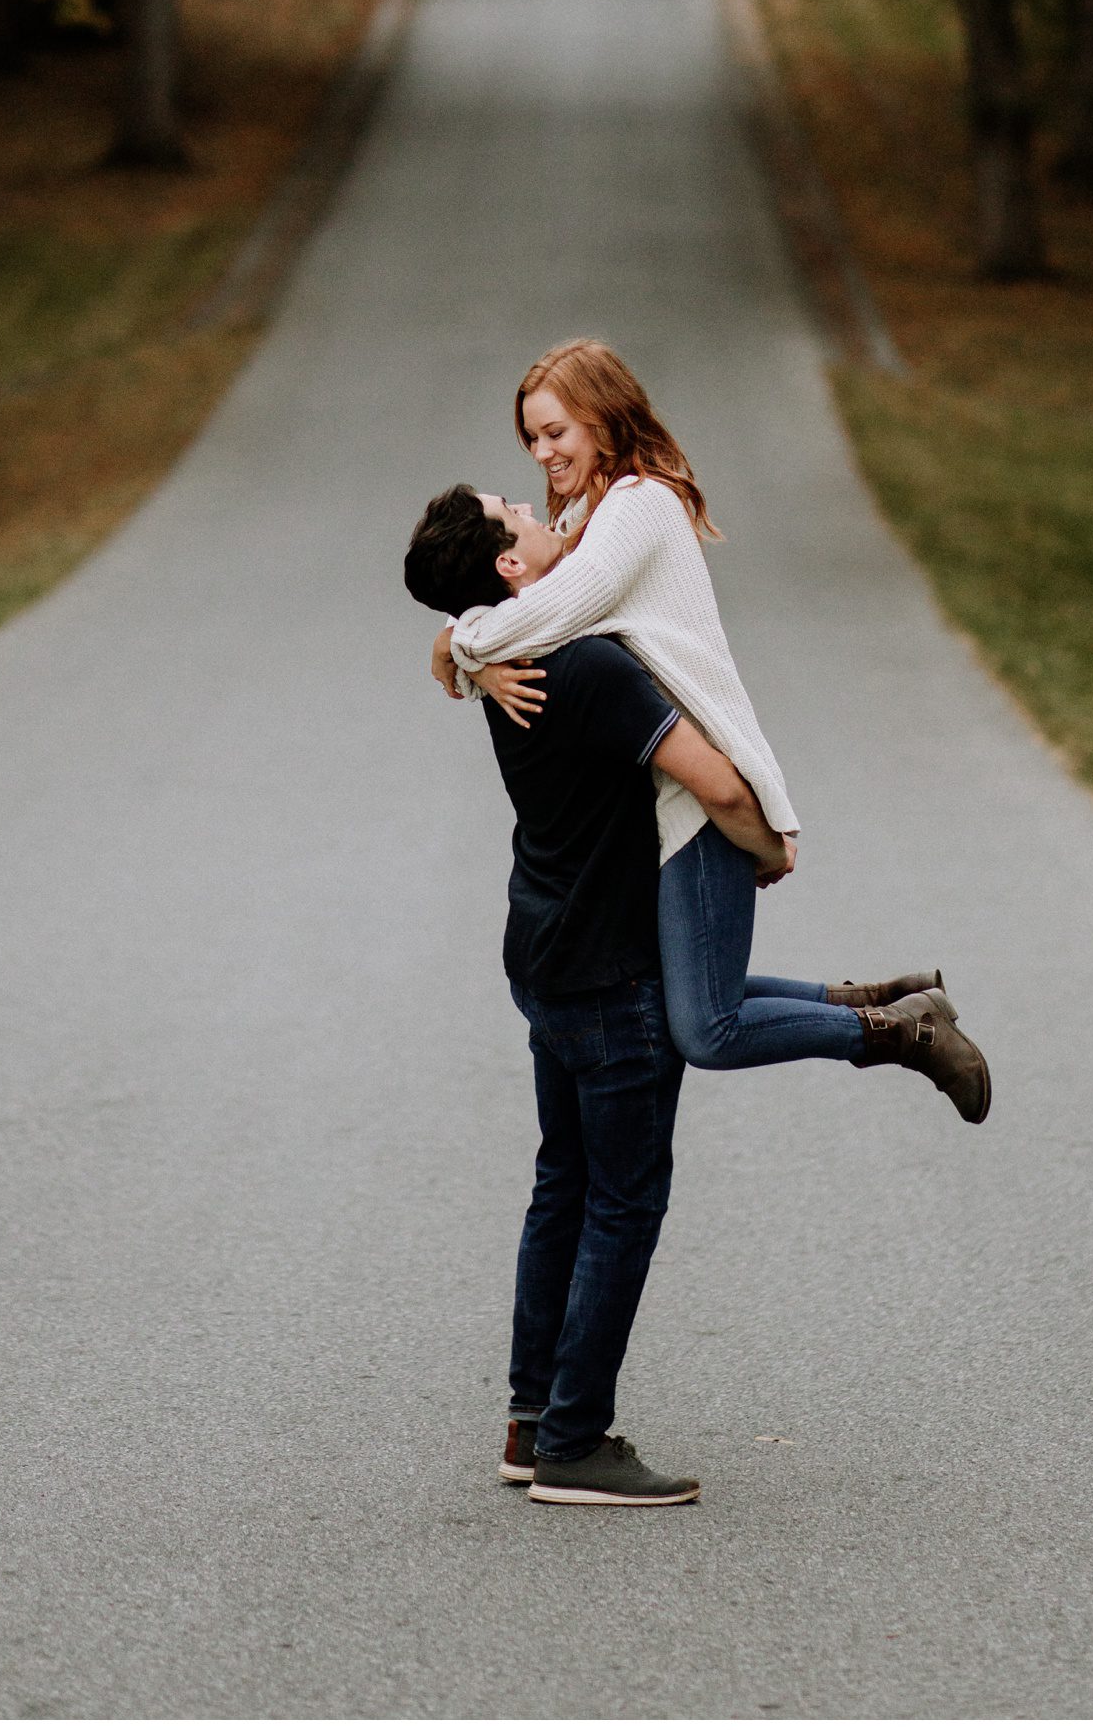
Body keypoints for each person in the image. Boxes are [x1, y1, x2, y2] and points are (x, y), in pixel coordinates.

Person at [430, 338, 992, 1112]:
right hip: (672, 798)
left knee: (707, 1029)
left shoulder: (639, 507)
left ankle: (900, 1035)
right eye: (531, 437)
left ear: (601, 414)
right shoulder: (593, 514)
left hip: (704, 793)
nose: (541, 452)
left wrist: (458, 646)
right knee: (684, 990)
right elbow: (526, 612)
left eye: (555, 431)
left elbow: (550, 614)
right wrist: (462, 654)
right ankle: (881, 1000)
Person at [404, 482, 751, 1506]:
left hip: (545, 953)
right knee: (622, 1199)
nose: (533, 497)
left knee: (563, 1181)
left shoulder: (506, 658)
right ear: (512, 564)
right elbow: (718, 784)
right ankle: (574, 1438)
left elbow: (459, 636)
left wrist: (453, 650)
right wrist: (767, 840)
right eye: (512, 505)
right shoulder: (588, 664)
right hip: (609, 968)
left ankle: (529, 1416)